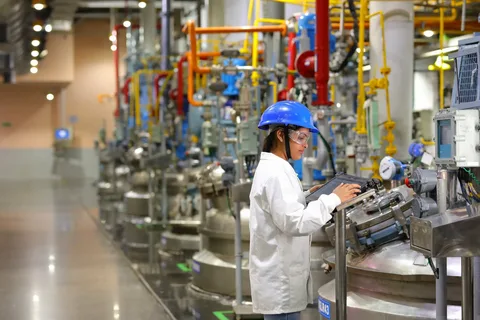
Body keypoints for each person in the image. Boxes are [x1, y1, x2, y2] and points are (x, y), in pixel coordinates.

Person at [249, 101, 361, 320]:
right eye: (300, 137)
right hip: (280, 284)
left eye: (306, 138)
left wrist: (307, 195)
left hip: (280, 279)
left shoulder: (277, 168)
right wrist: (333, 199)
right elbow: (294, 223)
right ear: (281, 135)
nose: (305, 145)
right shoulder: (275, 173)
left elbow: (281, 208)